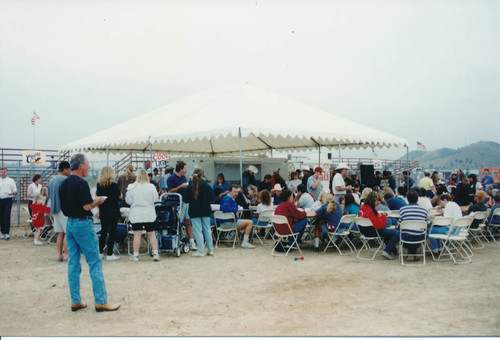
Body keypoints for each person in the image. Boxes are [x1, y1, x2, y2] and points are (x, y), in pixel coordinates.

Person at [59, 153, 119, 312]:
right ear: (81, 166)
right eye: (87, 164)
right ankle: (101, 301)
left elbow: (66, 206)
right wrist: (98, 201)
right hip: (83, 224)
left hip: (70, 223)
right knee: (94, 263)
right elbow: (87, 207)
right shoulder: (81, 183)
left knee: (73, 262)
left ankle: (75, 300)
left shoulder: (64, 184)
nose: (89, 167)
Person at [126, 169, 161, 262]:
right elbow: (155, 199)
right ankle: (156, 253)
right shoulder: (151, 186)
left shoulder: (131, 187)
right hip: (149, 213)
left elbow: (128, 201)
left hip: (136, 213)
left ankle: (136, 255)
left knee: (137, 234)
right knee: (152, 234)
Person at [358, 192, 399, 260]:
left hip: (364, 231)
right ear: (374, 201)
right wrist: (383, 216)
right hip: (373, 232)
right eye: (377, 200)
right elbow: (380, 226)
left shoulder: (362, 207)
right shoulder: (373, 210)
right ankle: (387, 251)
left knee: (387, 234)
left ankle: (394, 250)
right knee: (396, 234)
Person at [184, 168, 214, 257]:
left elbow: (185, 199)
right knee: (207, 230)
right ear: (202, 175)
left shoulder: (190, 186)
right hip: (206, 210)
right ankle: (210, 250)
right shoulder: (207, 186)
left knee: (197, 231)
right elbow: (212, 198)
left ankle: (200, 250)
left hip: (194, 211)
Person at [167, 161, 196, 250]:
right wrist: (181, 187)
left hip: (185, 203)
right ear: (181, 169)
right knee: (178, 223)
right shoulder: (171, 178)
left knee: (188, 222)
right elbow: (169, 191)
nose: (186, 170)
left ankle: (191, 241)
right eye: (185, 168)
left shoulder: (184, 178)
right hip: (176, 204)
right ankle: (178, 240)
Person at [96, 167, 121, 261]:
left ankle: (100, 252)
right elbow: (118, 196)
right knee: (112, 233)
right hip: (113, 211)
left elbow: (98, 196)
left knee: (103, 232)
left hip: (104, 211)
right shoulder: (114, 185)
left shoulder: (99, 185)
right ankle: (110, 253)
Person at [47, 161, 71, 260]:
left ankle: (59, 254)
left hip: (54, 209)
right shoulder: (65, 179)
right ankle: (67, 254)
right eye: (69, 169)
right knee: (67, 233)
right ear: (65, 169)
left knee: (60, 233)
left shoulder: (51, 180)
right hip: (64, 209)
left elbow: (48, 195)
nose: (70, 172)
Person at [398, 190, 431, 260]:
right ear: (417, 199)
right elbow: (427, 224)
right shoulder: (424, 210)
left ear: (407, 199)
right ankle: (417, 251)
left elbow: (400, 224)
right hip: (420, 237)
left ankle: (405, 250)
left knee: (398, 232)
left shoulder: (402, 210)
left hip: (405, 237)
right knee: (426, 233)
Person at [0, 167, 17, 240]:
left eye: (4, 172)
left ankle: (7, 233)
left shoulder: (11, 180)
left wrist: (13, 192)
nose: (3, 173)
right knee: (1, 217)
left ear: (6, 172)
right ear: (0, 173)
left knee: (6, 216)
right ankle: (3, 233)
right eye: (2, 172)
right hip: (0, 200)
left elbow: (15, 189)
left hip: (8, 200)